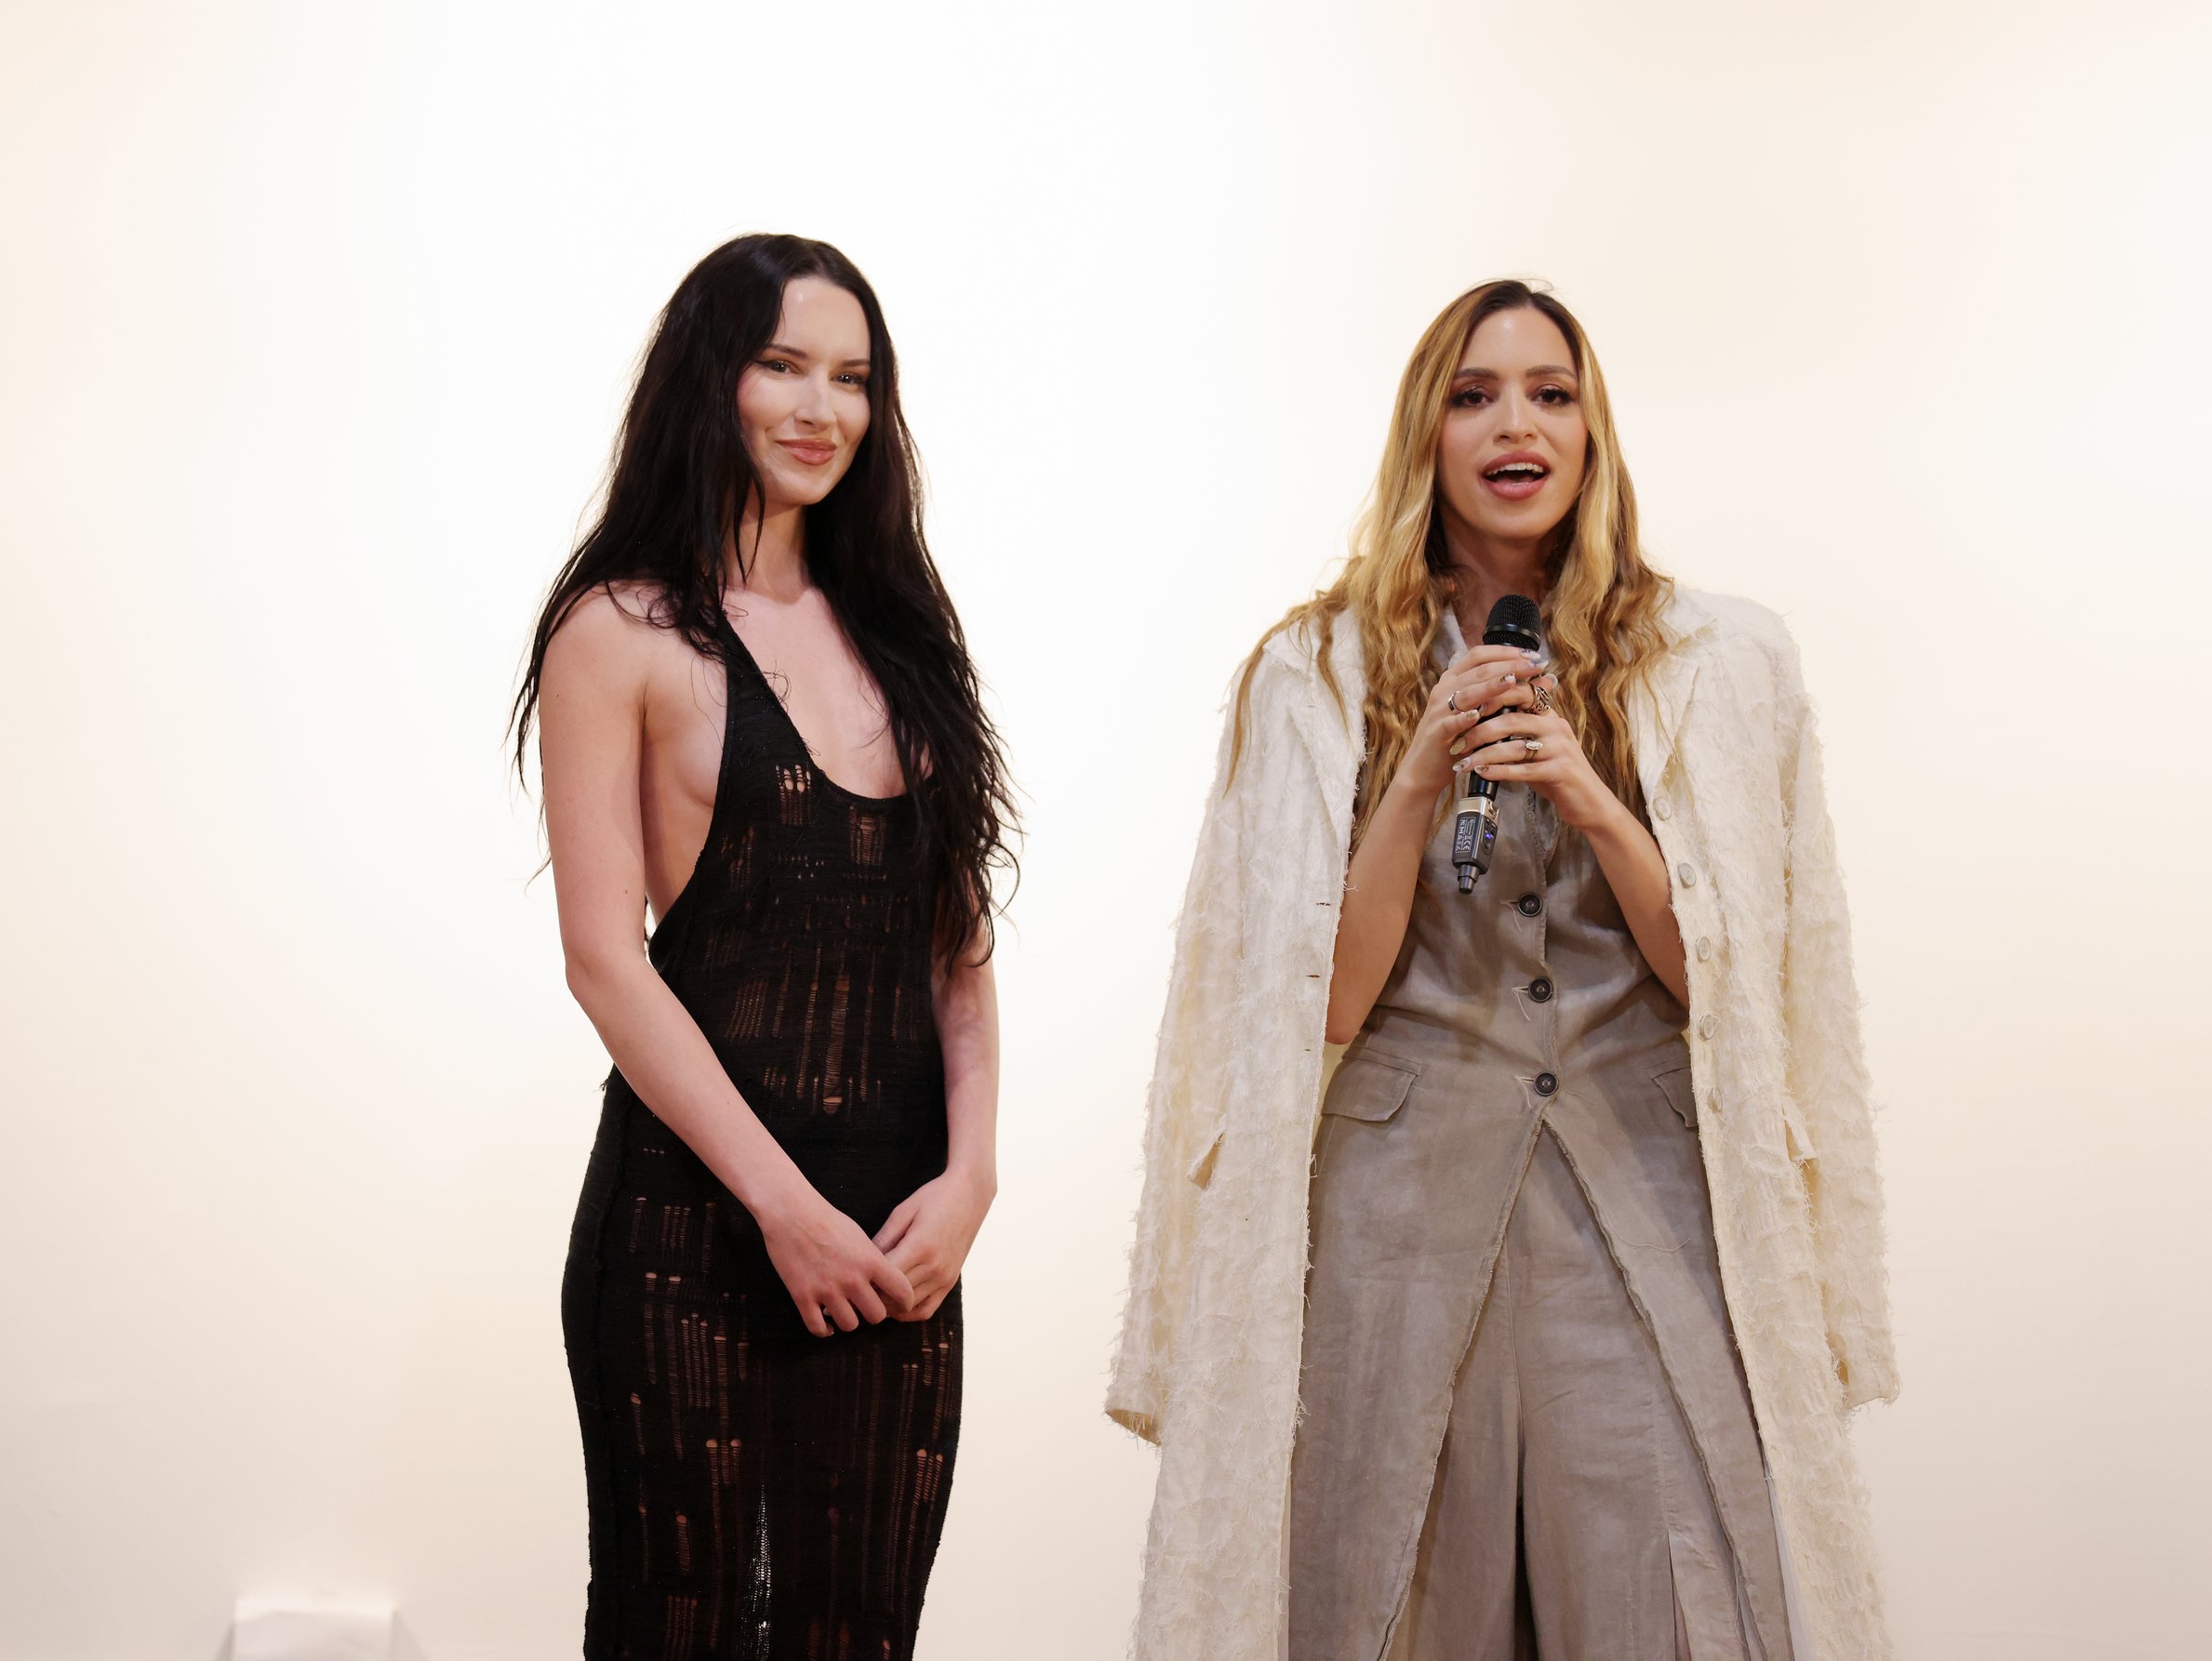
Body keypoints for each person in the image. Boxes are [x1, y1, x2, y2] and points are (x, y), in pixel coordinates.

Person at [1109, 279, 1899, 1661]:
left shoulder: (1717, 661)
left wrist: (1595, 798)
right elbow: (1318, 1002)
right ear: (1427, 430)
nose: (1514, 425)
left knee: (1676, 1589)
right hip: (1397, 1214)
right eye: (1474, 395)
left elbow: (1737, 994)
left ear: (1594, 431)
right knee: (1393, 1594)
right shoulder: (1315, 672)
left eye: (1550, 393)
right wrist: (1421, 770)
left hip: (1645, 1192)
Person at [511, 233, 1012, 1661]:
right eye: (782, 364)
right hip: (693, 1233)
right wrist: (785, 1209)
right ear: (709, 377)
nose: (820, 408)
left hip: (898, 1239)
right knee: (684, 1630)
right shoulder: (618, 629)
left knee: (860, 1631)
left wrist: (974, 1174)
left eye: (852, 378)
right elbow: (604, 959)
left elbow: (957, 949)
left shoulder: (900, 629)